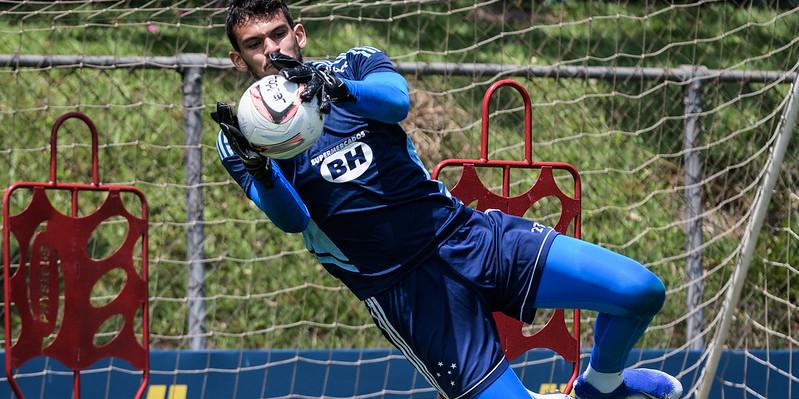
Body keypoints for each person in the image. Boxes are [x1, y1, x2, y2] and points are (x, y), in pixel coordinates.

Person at [212, 1, 684, 398]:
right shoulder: (242, 137)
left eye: (278, 35)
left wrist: (340, 90)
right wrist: (263, 168)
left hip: (465, 235)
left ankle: (601, 387)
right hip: (404, 291)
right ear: (240, 61)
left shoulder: (350, 66)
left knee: (639, 292)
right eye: (255, 44)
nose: (272, 50)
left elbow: (396, 102)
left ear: (299, 34)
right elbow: (293, 221)